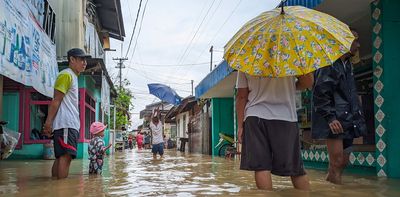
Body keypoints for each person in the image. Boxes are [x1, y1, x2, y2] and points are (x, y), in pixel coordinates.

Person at [236, 70, 313, 190]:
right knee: (296, 169)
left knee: (261, 167)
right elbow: (308, 82)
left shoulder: (246, 58)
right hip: (286, 117)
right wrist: (292, 86)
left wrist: (240, 126)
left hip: (256, 116)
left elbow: (241, 96)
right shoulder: (291, 55)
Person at [311, 30, 366, 184]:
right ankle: (335, 191)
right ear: (344, 41)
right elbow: (320, 93)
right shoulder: (329, 63)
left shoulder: (347, 64)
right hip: (335, 120)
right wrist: (330, 118)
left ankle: (329, 187)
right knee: (337, 161)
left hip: (348, 118)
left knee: (343, 162)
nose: (358, 45)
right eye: (355, 41)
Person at [42, 48, 90, 179]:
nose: (85, 63)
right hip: (66, 124)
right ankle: (61, 189)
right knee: (65, 156)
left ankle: (55, 188)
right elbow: (56, 100)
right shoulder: (66, 75)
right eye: (81, 59)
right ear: (72, 60)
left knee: (61, 156)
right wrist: (48, 122)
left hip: (68, 124)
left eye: (85, 60)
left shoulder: (73, 76)